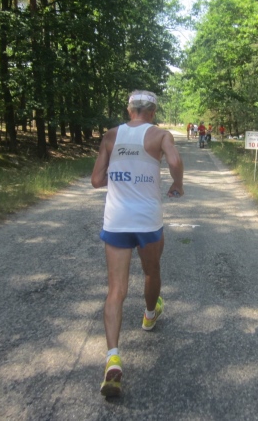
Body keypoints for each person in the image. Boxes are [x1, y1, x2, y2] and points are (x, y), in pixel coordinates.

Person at [91, 90, 184, 398]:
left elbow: (96, 180)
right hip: (147, 220)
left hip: (116, 220)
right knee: (151, 271)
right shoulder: (160, 135)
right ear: (153, 112)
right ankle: (149, 314)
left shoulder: (111, 136)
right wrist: (178, 184)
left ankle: (113, 357)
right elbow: (175, 160)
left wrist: (121, 177)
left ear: (129, 109)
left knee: (116, 290)